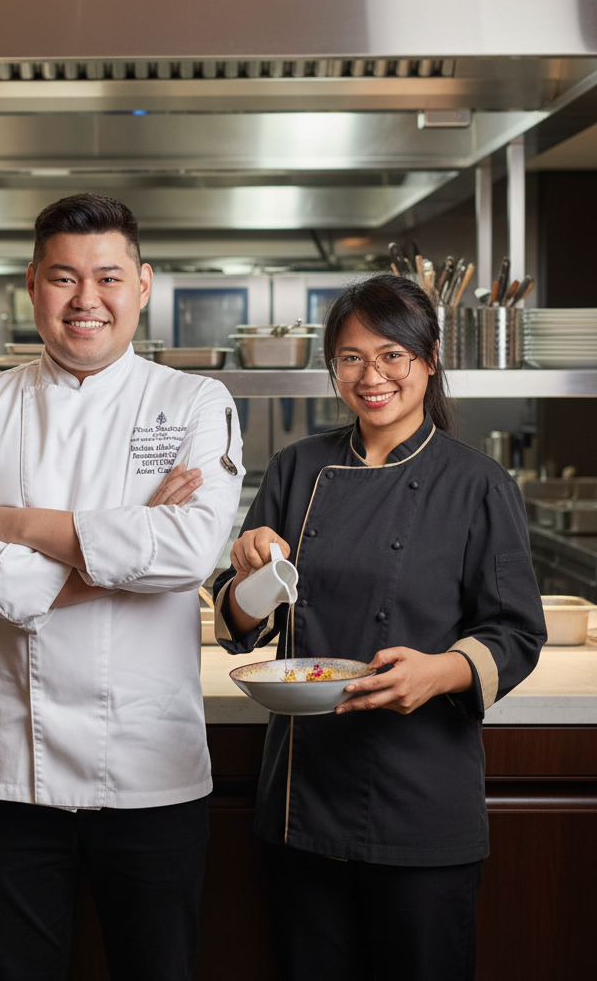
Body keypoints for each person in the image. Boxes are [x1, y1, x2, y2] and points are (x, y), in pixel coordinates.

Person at [0, 193, 243, 981]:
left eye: (108, 277)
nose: (86, 299)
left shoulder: (195, 401)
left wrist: (18, 523)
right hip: (8, 768)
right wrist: (127, 541)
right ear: (33, 284)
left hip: (154, 766)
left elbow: (189, 553)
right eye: (64, 278)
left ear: (143, 284)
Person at [212, 273, 546, 981]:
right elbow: (241, 626)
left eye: (393, 355)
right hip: (302, 798)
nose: (372, 377)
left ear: (429, 360)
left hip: (421, 796)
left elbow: (516, 632)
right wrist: (249, 573)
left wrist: (440, 671)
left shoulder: (478, 483)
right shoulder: (297, 468)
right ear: (333, 366)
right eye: (352, 358)